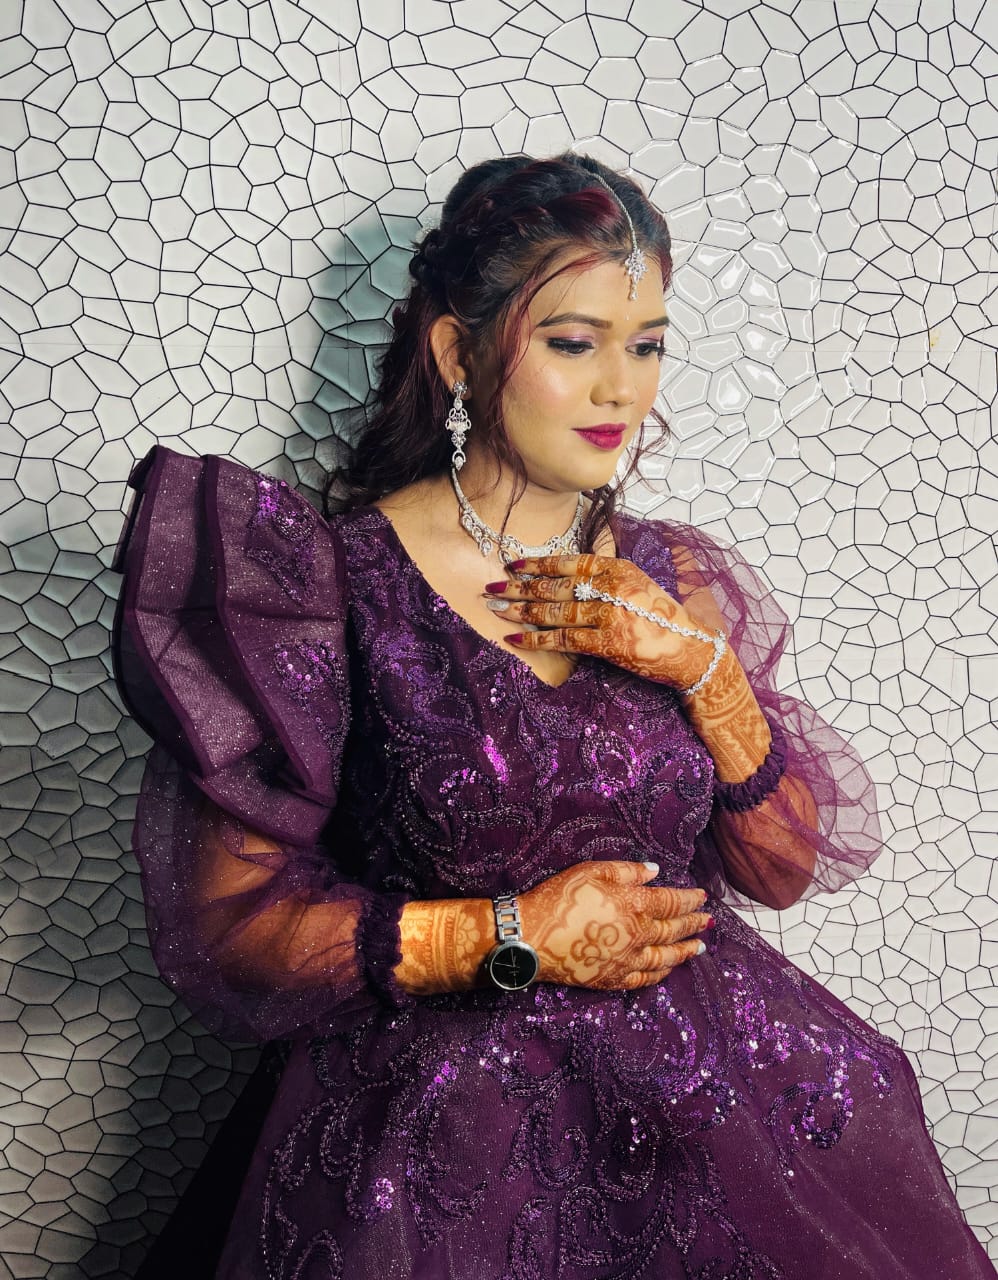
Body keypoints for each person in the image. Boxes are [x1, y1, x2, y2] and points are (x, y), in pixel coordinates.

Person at [112, 152, 994, 1279]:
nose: (621, 389)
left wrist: (702, 671)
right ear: (458, 352)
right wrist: (511, 932)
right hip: (433, 1146)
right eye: (575, 343)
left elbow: (781, 869)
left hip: (702, 1109)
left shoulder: (671, 577)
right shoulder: (322, 582)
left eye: (647, 345)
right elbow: (233, 930)